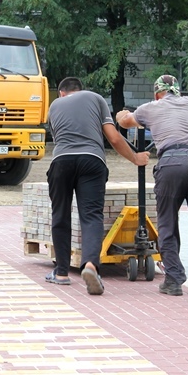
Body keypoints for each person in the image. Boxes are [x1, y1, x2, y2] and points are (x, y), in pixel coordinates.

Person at [115, 74, 188, 306]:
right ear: (177, 90)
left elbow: (127, 122)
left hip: (172, 162)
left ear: (157, 93)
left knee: (168, 222)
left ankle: (174, 280)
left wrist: (121, 116)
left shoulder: (151, 107)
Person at [46, 77, 149, 295]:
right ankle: (91, 265)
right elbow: (113, 138)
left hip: (61, 161)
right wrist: (135, 158)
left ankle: (62, 272)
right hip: (92, 160)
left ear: (62, 93)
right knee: (91, 216)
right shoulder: (95, 98)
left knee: (60, 215)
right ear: (80, 90)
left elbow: (58, 140)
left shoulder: (54, 106)